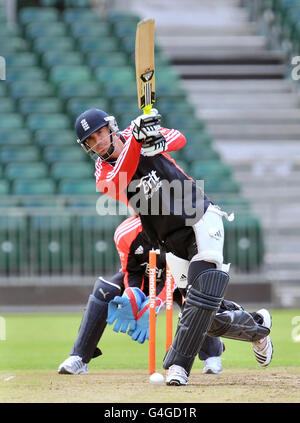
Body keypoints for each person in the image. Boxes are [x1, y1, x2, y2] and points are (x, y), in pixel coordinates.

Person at [73, 108, 273, 385]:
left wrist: (156, 141)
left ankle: (178, 366)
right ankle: (258, 328)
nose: (98, 142)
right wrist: (138, 141)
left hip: (199, 216)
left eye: (100, 133)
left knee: (201, 297)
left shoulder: (137, 137)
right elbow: (122, 174)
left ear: (110, 127)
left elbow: (179, 138)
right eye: (91, 141)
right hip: (169, 239)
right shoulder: (103, 172)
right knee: (205, 316)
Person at [58, 214, 226, 375]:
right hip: (143, 280)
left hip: (176, 279)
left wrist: (154, 304)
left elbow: (174, 276)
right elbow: (130, 271)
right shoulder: (125, 232)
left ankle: (212, 355)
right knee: (105, 289)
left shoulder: (178, 231)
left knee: (196, 297)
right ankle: (79, 357)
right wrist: (133, 295)